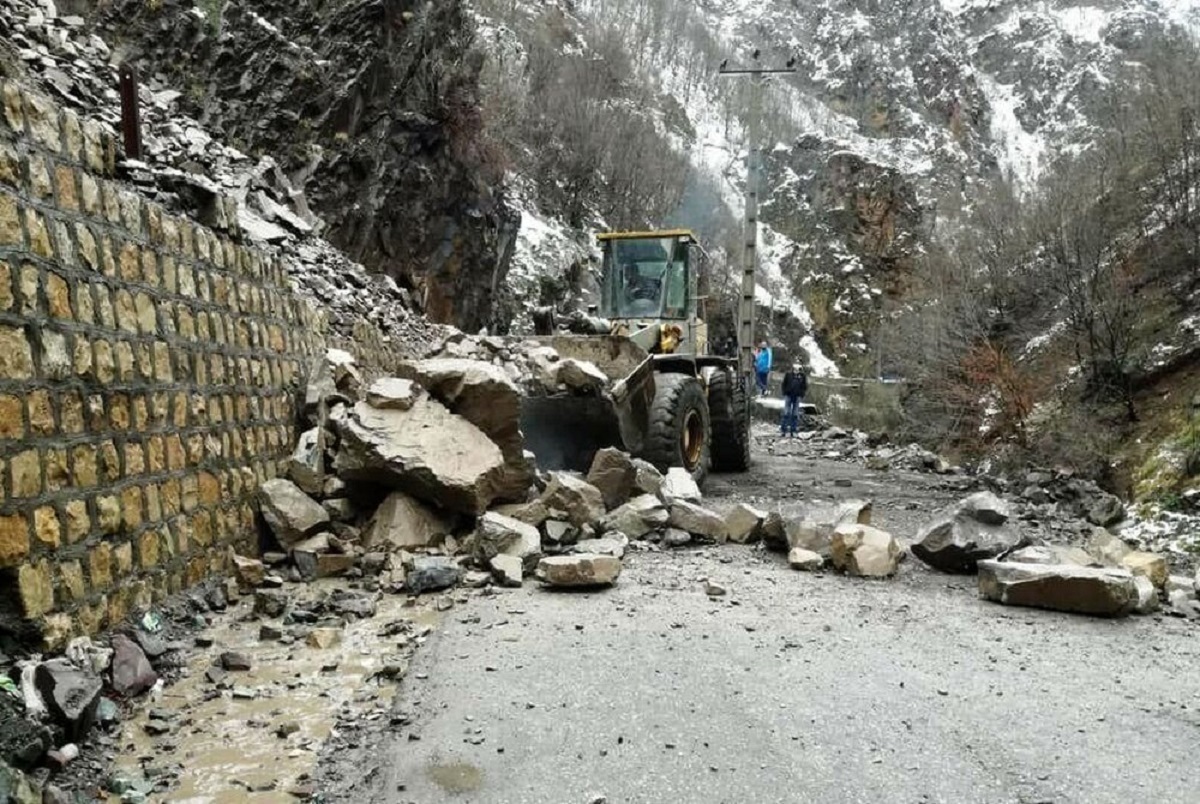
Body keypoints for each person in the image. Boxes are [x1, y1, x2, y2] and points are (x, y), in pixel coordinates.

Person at [780, 362, 808, 437]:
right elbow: (783, 384)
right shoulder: (788, 374)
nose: (796, 370)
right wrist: (784, 393)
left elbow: (805, 386)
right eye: (795, 368)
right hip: (788, 396)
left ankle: (793, 431)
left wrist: (801, 394)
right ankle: (783, 430)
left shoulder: (802, 376)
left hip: (797, 396)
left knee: (795, 414)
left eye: (798, 368)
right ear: (793, 368)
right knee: (786, 413)